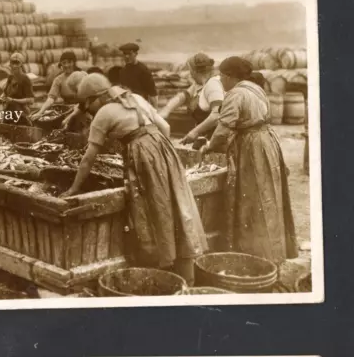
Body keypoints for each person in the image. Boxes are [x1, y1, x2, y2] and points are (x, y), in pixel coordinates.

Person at [59, 73, 208, 284]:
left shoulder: (104, 112)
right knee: (176, 205)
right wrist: (160, 155)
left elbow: (88, 158)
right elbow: (165, 128)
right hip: (165, 149)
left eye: (87, 103)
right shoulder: (135, 98)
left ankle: (160, 271)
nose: (88, 108)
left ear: (97, 98)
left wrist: (74, 188)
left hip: (143, 156)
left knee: (153, 209)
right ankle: (185, 274)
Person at [200, 56, 298, 263]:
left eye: (221, 76)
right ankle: (274, 250)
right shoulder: (256, 88)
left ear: (228, 76)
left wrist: (209, 147)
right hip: (268, 142)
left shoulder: (236, 94)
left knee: (254, 197)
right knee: (268, 195)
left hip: (253, 147)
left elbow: (222, 130)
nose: (221, 81)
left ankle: (257, 254)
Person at [158, 53, 225, 147]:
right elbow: (182, 97)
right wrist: (166, 110)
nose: (190, 74)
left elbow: (217, 115)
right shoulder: (199, 84)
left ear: (195, 71)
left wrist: (194, 132)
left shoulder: (213, 85)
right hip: (204, 137)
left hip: (216, 139)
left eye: (190, 70)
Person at [31, 50, 86, 121]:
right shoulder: (58, 79)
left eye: (69, 62)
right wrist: (40, 112)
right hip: (68, 110)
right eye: (64, 63)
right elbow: (51, 99)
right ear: (61, 64)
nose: (66, 65)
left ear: (74, 63)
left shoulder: (82, 75)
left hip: (82, 109)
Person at [118, 42, 158, 107]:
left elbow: (152, 93)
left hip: (141, 104)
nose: (127, 56)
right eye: (125, 54)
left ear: (136, 54)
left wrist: (155, 112)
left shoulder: (143, 70)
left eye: (130, 54)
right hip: (126, 104)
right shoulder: (122, 71)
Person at [0, 53, 34, 126]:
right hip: (8, 112)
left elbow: (31, 100)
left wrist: (13, 100)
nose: (14, 66)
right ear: (10, 64)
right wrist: (2, 97)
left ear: (21, 64)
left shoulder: (25, 79)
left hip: (21, 113)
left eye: (17, 63)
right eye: (12, 63)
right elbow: (6, 92)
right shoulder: (10, 77)